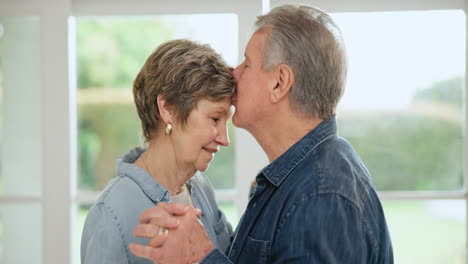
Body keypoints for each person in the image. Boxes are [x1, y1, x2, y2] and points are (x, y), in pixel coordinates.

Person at [129, 4, 394, 264]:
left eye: (247, 63)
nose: (234, 73)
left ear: (279, 82)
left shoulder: (320, 197)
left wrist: (203, 258)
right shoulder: (301, 180)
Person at [80, 39, 235, 264]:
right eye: (215, 118)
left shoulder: (201, 187)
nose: (225, 138)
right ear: (168, 109)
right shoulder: (111, 213)